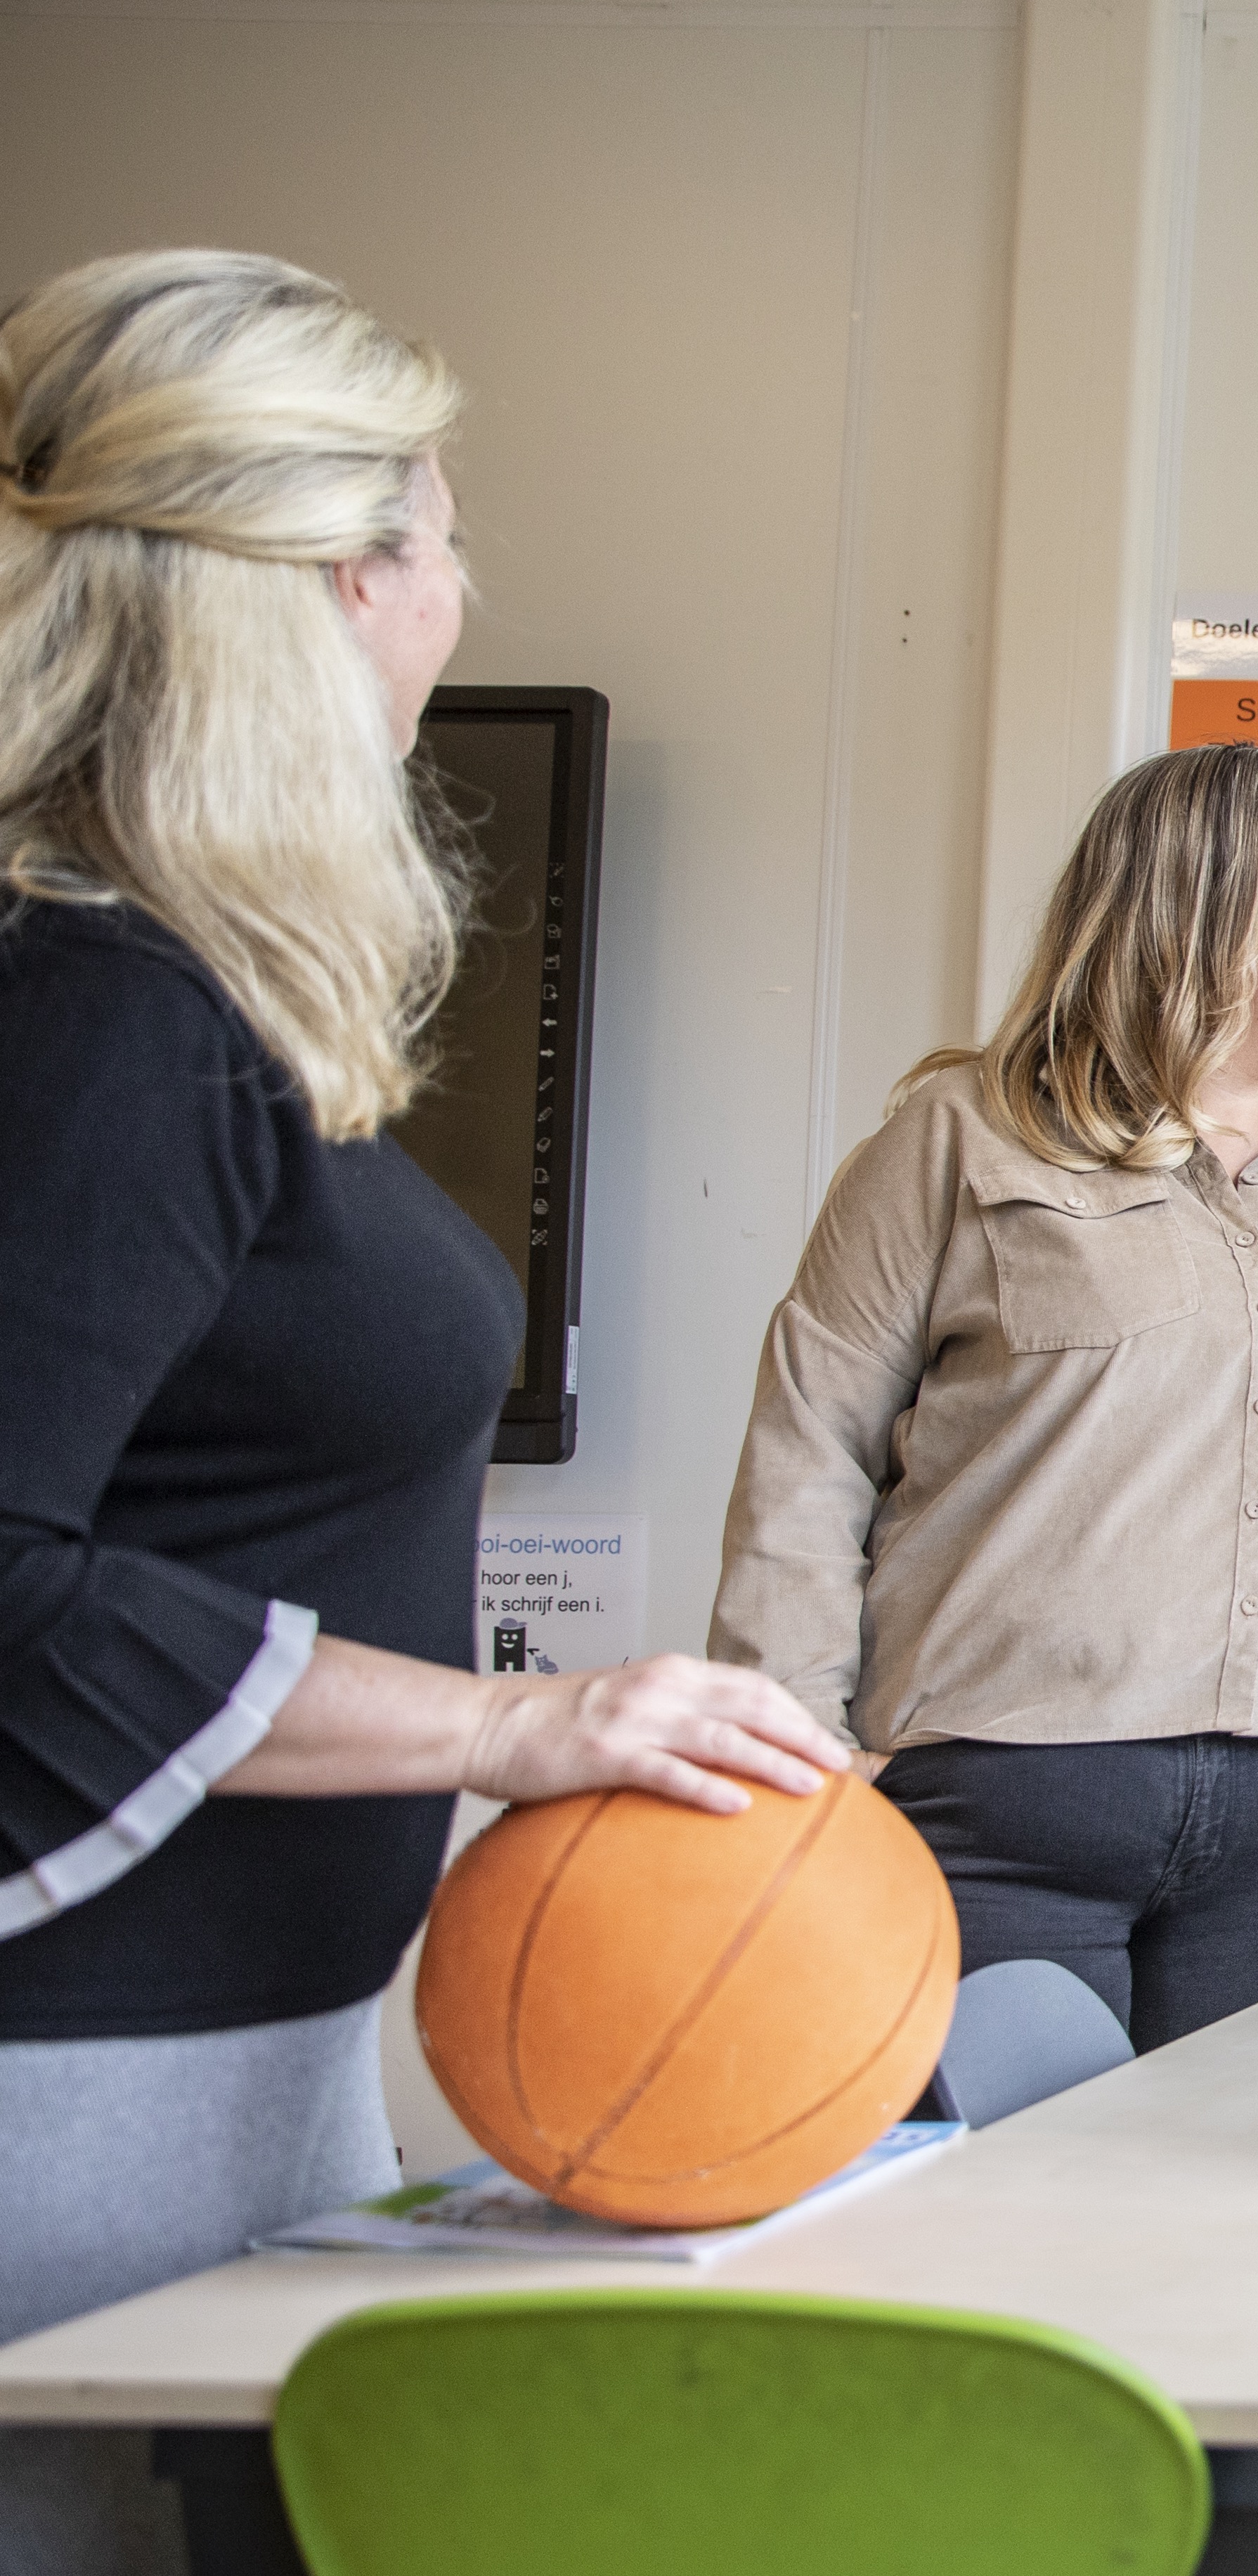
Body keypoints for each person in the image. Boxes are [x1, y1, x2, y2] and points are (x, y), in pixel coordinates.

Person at [0, 252, 848, 2570]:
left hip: (237, 2052)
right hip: (75, 2080)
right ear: (333, 590)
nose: (463, 599)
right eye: (447, 543)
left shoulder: (190, 1001)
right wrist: (516, 1729)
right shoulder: (109, 1016)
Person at [711, 742, 1258, 2054]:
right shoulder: (957, 1141)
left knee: (1236, 2235)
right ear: (1187, 902)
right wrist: (793, 1744)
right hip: (996, 1809)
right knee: (989, 2235)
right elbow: (809, 1449)